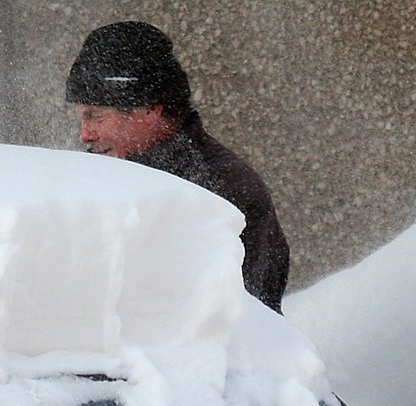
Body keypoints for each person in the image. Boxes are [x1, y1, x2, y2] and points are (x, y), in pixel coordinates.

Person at [66, 21, 290, 312]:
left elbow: (241, 320)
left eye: (95, 116)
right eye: (83, 118)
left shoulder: (220, 189)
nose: (85, 134)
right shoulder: (95, 172)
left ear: (148, 111)